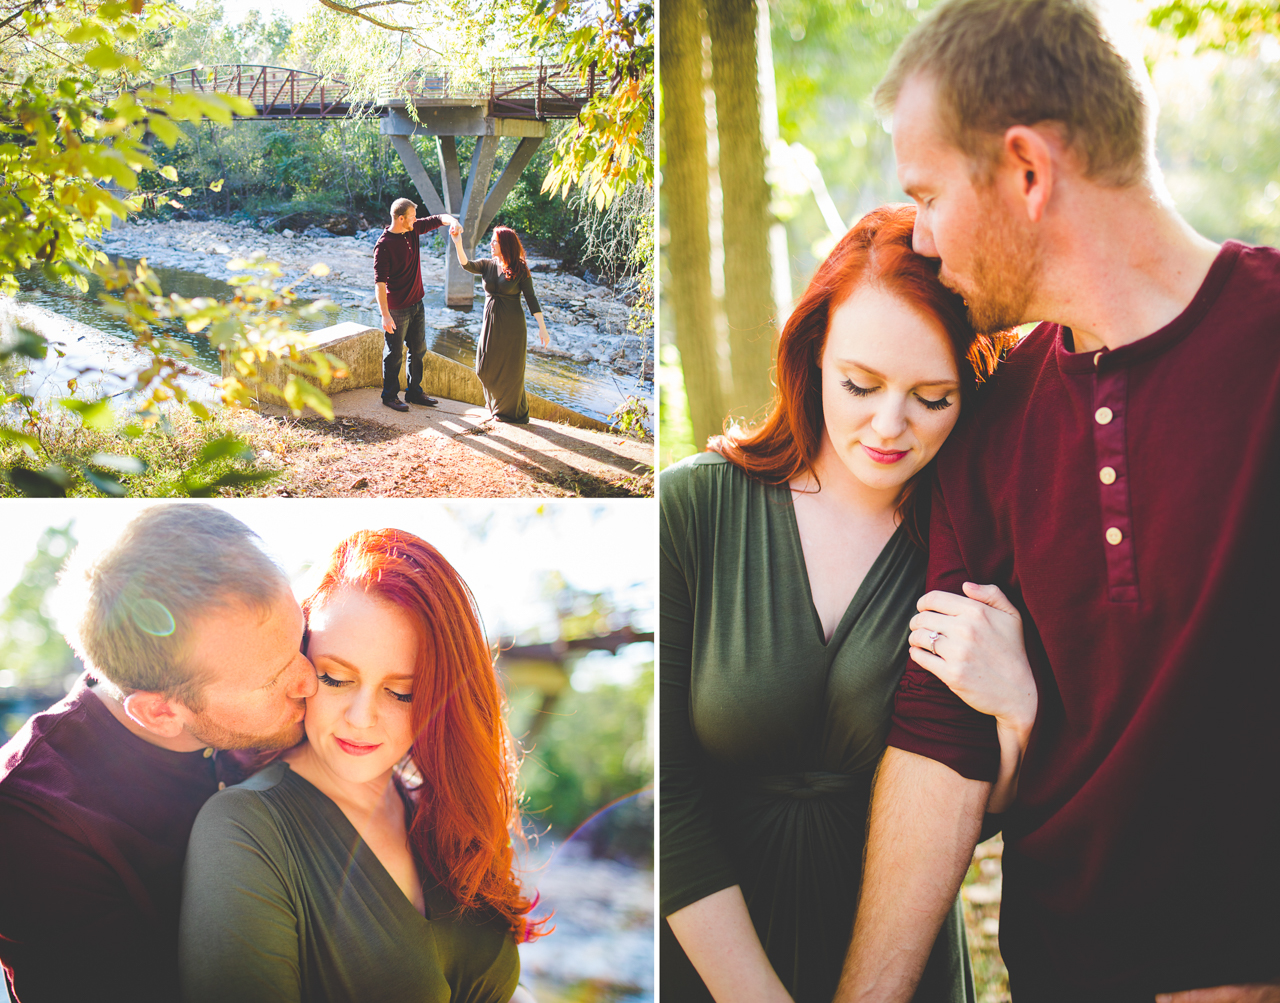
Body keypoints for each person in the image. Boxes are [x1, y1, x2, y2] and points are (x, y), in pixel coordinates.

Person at [832, 1, 1280, 1001]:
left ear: (1027, 171)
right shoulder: (988, 425)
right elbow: (939, 740)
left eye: (928, 195)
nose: (921, 237)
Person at [660, 204, 1033, 1003]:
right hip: (709, 959)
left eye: (932, 397)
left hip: (906, 970)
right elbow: (669, 793)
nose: (889, 426)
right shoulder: (693, 509)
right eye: (860, 384)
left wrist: (1018, 715)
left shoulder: (974, 546)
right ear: (813, 354)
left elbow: (976, 815)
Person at [179, 529, 544, 1003]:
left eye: (402, 692)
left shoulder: (441, 810)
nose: (360, 717)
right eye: (335, 678)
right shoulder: (245, 828)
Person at [0, 505, 318, 1003]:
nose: (312, 679)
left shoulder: (261, 686)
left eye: (301, 636)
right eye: (274, 679)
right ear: (161, 712)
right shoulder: (33, 824)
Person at [448, 223, 550, 424]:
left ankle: (510, 414)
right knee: (483, 367)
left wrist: (542, 328)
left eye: (495, 241)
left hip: (512, 326)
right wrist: (458, 242)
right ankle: (496, 406)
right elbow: (466, 264)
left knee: (511, 371)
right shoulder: (487, 264)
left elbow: (531, 298)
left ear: (505, 244)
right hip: (491, 324)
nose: (491, 244)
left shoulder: (520, 268)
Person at [374, 198, 459, 412]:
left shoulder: (412, 229)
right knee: (394, 354)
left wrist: (453, 222)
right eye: (412, 216)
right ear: (401, 218)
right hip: (397, 310)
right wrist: (385, 315)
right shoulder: (383, 245)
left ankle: (414, 392)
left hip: (417, 304)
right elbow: (380, 284)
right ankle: (389, 396)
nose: (416, 219)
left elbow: (438, 219)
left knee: (418, 350)